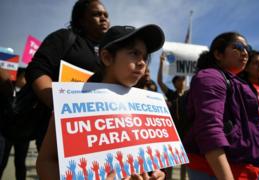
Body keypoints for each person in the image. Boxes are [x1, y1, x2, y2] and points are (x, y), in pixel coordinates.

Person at [36, 24, 166, 180]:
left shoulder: (146, 105)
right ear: (107, 57)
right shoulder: (73, 100)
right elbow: (46, 161)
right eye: (134, 53)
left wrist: (156, 172)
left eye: (145, 57)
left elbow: (148, 159)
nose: (142, 62)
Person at [183, 32, 259, 180]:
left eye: (248, 48)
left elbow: (238, 124)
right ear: (218, 54)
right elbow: (209, 130)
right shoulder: (210, 77)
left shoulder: (235, 82)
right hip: (215, 171)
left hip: (242, 170)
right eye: (238, 47)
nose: (245, 52)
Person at [25, 0, 110, 150]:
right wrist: (59, 104)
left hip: (99, 132)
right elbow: (37, 69)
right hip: (59, 130)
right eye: (96, 14)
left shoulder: (112, 51)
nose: (103, 18)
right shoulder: (64, 38)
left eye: (106, 15)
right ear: (81, 20)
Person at [0, 68, 30, 180]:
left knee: (20, 163)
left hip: (23, 136)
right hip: (7, 133)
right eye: (24, 77)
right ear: (18, 77)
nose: (25, 80)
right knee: (2, 161)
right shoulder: (7, 87)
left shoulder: (30, 93)